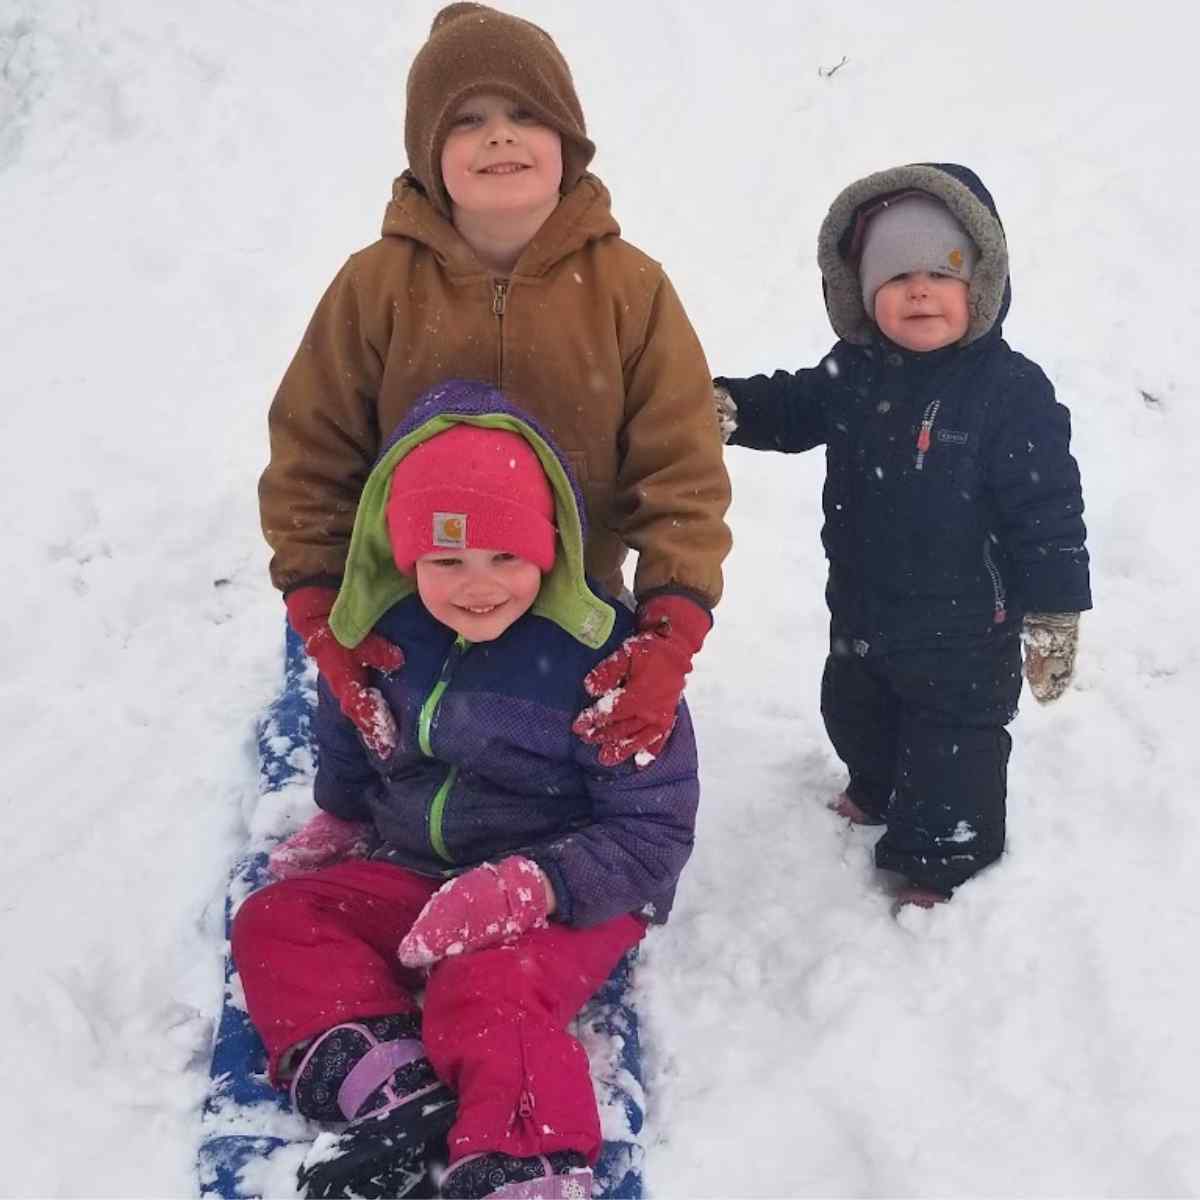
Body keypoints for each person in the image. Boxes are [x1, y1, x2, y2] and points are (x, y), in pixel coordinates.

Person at [234, 381, 700, 1199]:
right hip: (420, 863)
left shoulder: (601, 664)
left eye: (505, 558)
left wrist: (538, 883)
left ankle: (523, 1165)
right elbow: (354, 726)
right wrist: (344, 811)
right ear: (407, 557)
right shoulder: (385, 636)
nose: (477, 585)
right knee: (279, 917)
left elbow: (652, 835)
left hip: (565, 886)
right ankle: (389, 1086)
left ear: (549, 550)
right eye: (445, 560)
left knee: (486, 989)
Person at [258, 2, 730, 771]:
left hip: (576, 599)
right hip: (414, 591)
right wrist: (317, 599)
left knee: (561, 773)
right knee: (403, 770)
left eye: (525, 113)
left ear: (567, 141)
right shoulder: (374, 285)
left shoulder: (630, 288)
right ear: (428, 149)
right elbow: (313, 447)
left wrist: (671, 623)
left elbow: (681, 468)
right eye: (467, 119)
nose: (500, 135)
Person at [714, 163, 1091, 906]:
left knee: (953, 755)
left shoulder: (1010, 393)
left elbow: (1049, 511)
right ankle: (878, 788)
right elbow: (791, 405)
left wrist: (1054, 611)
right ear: (861, 294)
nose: (919, 290)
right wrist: (726, 408)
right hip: (863, 609)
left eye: (941, 272)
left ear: (979, 286)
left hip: (965, 631)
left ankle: (941, 859)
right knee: (855, 712)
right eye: (895, 276)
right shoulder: (854, 372)